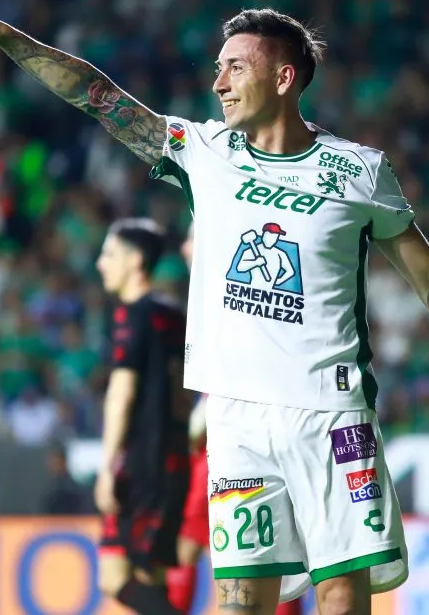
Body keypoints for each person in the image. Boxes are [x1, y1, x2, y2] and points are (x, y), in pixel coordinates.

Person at [0, 0, 429, 615]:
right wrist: (2, 34)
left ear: (283, 77)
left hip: (330, 413)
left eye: (235, 67)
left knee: (339, 591)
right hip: (236, 417)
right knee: (238, 596)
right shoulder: (204, 154)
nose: (218, 82)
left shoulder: (357, 171)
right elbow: (98, 95)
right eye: (216, 68)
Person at [166, 225, 303, 615]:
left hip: (244, 430)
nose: (184, 245)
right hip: (220, 431)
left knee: (263, 545)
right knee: (203, 541)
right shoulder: (208, 289)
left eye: (192, 236)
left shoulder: (237, 286)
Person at [92, 218, 194, 614]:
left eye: (109, 254)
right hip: (172, 461)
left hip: (140, 465)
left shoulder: (132, 315)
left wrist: (107, 466)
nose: (101, 264)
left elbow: (122, 392)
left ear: (135, 261)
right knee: (149, 577)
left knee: (114, 577)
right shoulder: (173, 315)